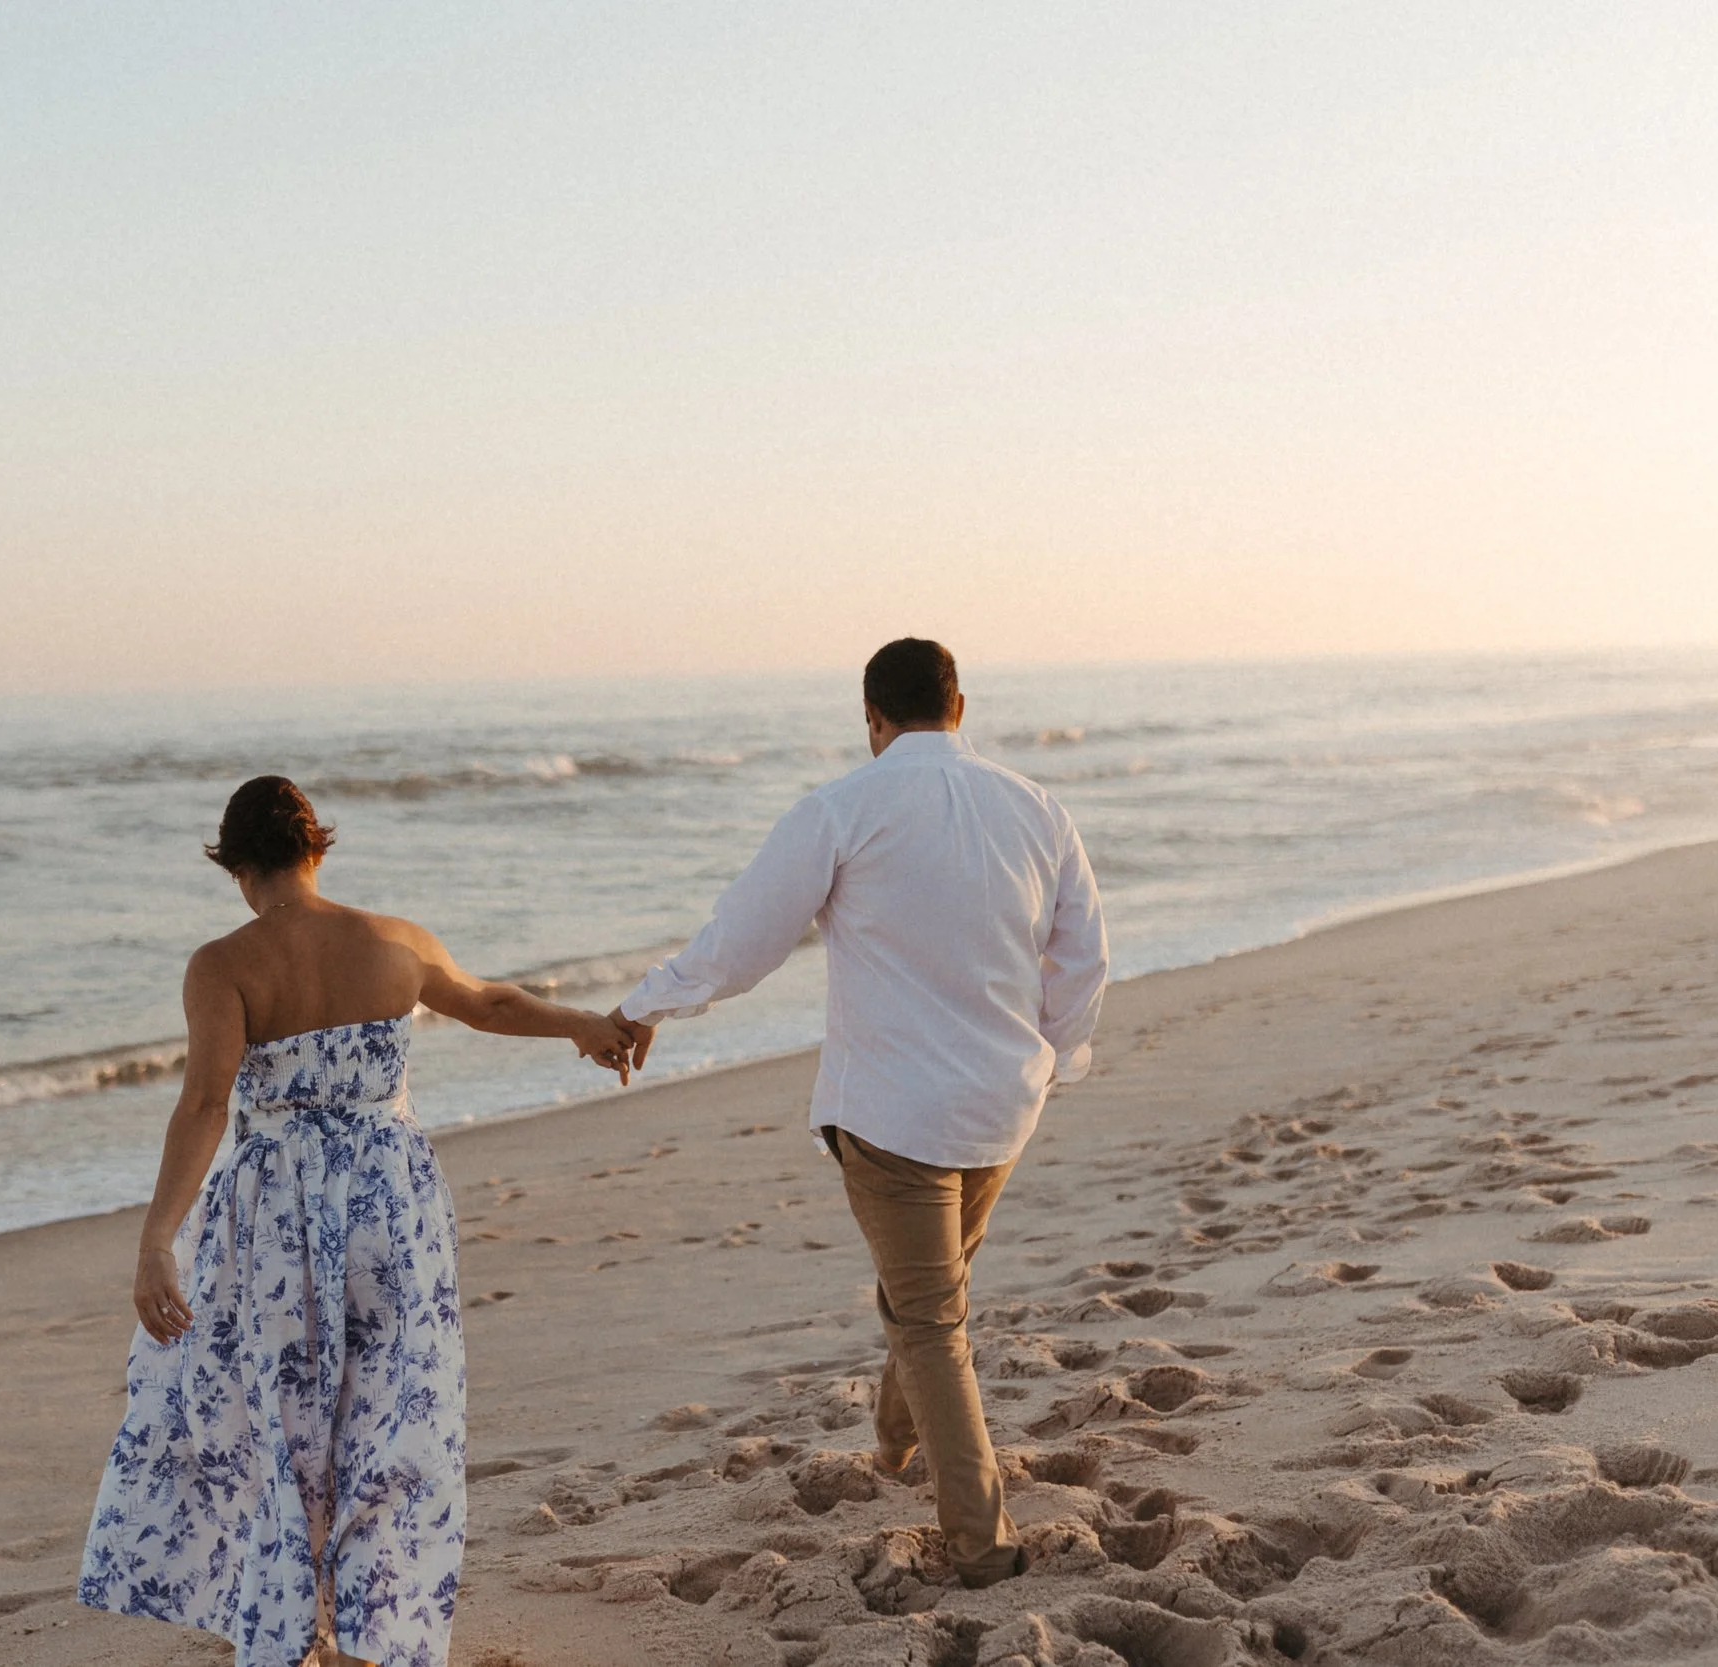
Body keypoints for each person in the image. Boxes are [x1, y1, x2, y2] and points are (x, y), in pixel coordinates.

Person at [78, 775, 633, 1667]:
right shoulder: (395, 940)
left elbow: (206, 1104)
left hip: (276, 1216)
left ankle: (289, 1626)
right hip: (392, 1202)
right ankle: (378, 1628)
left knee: (279, 1416)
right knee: (390, 1414)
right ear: (317, 849)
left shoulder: (223, 964)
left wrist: (156, 1240)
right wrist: (584, 1027)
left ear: (238, 866)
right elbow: (490, 1002)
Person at [608, 638, 1108, 1589]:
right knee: (931, 1287)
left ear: (873, 720)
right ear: (960, 706)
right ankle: (893, 1446)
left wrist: (643, 1007)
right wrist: (1052, 1060)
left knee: (928, 1318)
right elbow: (1082, 959)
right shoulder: (1039, 810)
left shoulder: (841, 808)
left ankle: (982, 1543)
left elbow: (742, 943)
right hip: (1002, 1106)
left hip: (892, 1115)